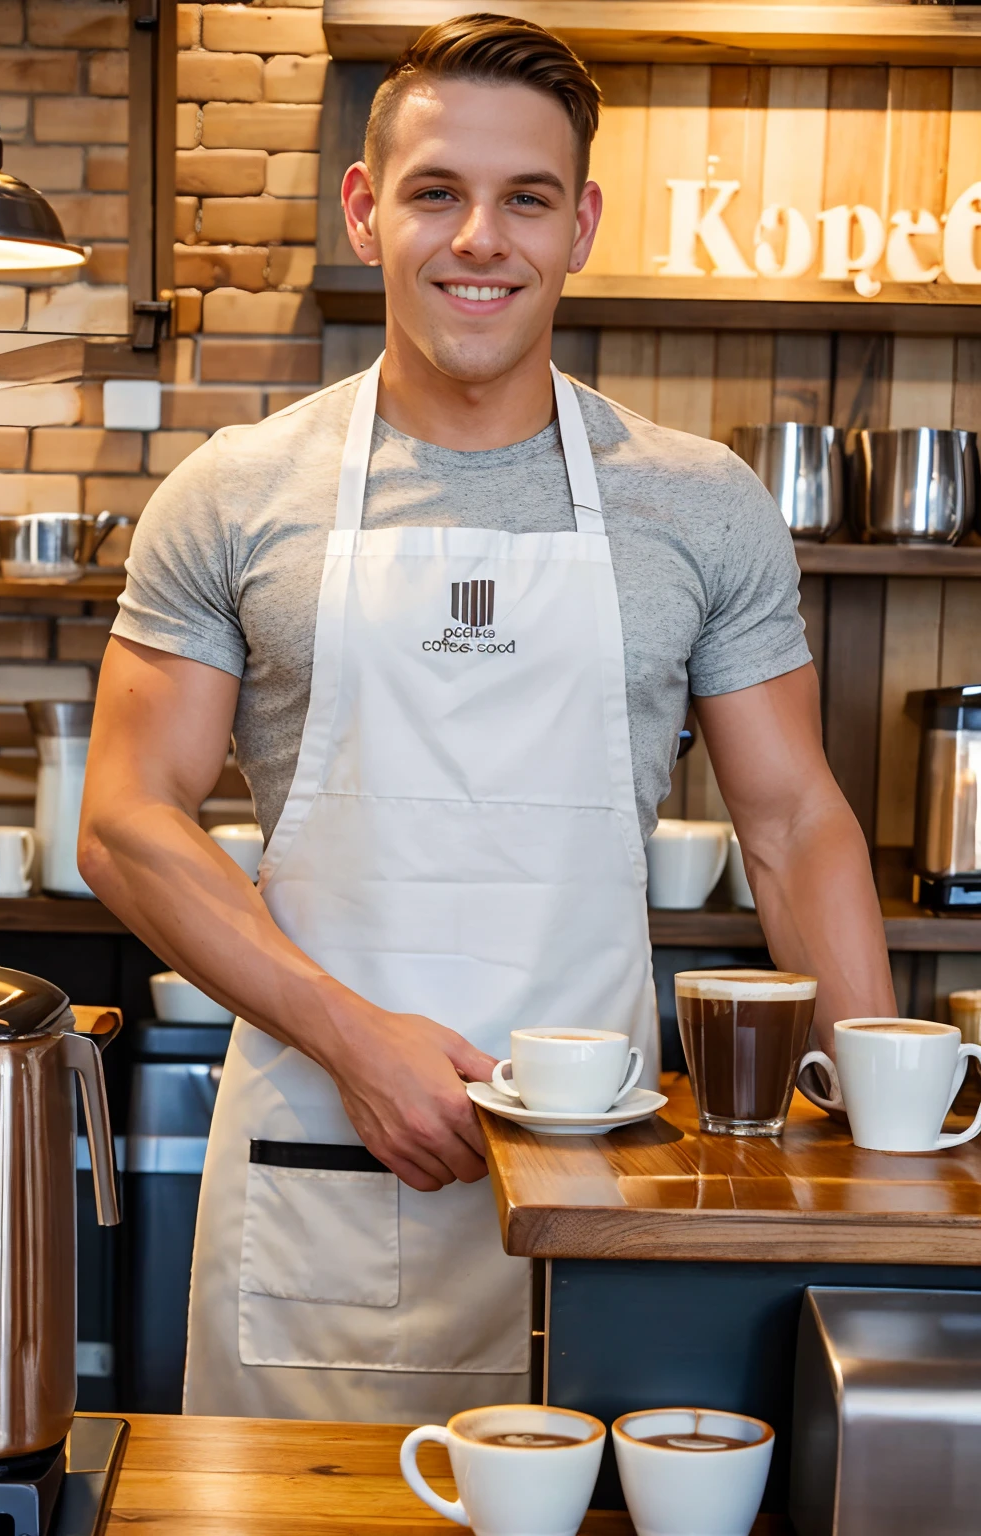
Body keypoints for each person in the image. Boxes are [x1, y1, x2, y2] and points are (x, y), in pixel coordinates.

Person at [78, 12, 896, 1424]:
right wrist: (352, 1038)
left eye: (525, 199)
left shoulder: (697, 501)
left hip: (610, 1181)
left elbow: (793, 819)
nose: (480, 240)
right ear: (364, 209)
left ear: (579, 224)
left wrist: (885, 1123)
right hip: (322, 1167)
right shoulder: (236, 491)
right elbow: (125, 819)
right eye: (436, 192)